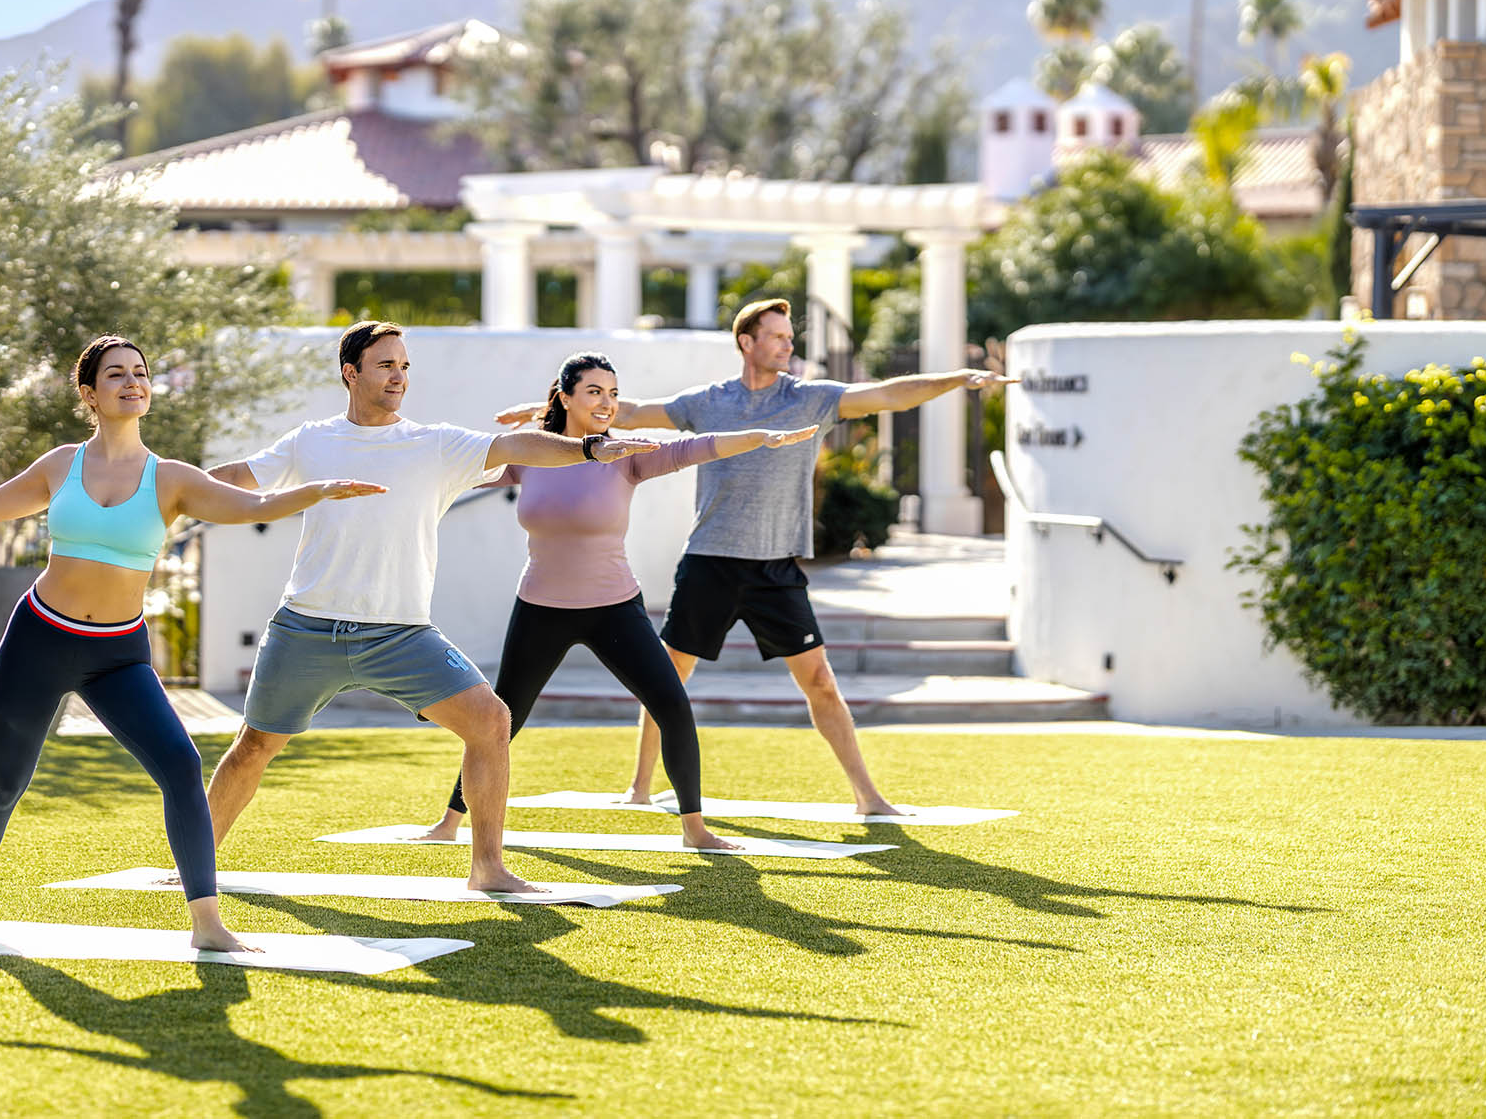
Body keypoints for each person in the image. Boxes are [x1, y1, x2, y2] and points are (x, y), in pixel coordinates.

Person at [0, 335, 384, 950]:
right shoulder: (62, 466)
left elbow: (254, 505)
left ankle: (208, 925)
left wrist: (318, 490)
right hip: (39, 640)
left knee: (182, 765)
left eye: (141, 373)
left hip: (117, 653)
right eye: (116, 375)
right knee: (3, 783)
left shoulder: (172, 479)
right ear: (90, 393)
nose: (133, 382)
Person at [498, 299, 1015, 816]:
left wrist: (955, 379)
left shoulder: (812, 398)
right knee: (668, 679)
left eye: (791, 337)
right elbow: (627, 411)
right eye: (779, 337)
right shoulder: (707, 401)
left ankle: (868, 796)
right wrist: (539, 412)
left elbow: (884, 395)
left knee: (819, 682)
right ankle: (639, 788)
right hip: (709, 560)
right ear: (747, 343)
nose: (790, 346)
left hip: (776, 567)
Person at [204, 321, 657, 892]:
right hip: (308, 628)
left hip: (399, 635)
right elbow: (234, 480)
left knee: (491, 721)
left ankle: (487, 868)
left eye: (405, 366)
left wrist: (589, 447)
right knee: (254, 747)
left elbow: (518, 446)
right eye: (386, 365)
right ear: (351, 373)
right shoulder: (310, 440)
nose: (399, 376)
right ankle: (195, 865)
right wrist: (163, 489)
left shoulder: (434, 442)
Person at [421, 351, 819, 851]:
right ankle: (451, 822)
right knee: (502, 718)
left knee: (672, 705)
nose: (607, 403)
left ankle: (696, 830)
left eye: (612, 393)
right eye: (594, 392)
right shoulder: (531, 454)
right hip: (541, 607)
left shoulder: (626, 454)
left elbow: (697, 448)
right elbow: (459, 471)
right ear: (564, 397)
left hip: (614, 607)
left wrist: (759, 438)